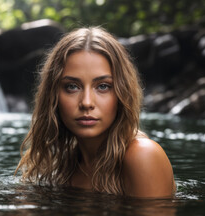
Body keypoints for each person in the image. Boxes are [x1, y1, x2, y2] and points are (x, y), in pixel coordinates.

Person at [15, 27, 176, 198]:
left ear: (122, 93)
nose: (86, 103)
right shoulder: (63, 165)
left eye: (103, 86)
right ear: (53, 95)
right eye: (72, 87)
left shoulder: (143, 155)